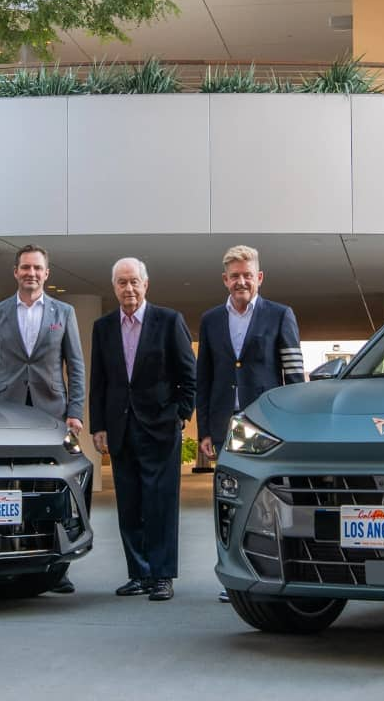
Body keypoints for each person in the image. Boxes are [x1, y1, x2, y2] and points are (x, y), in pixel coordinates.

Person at [196, 245, 304, 600]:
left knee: (271, 501)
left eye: (247, 275)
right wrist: (205, 432)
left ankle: (277, 573)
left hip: (268, 428)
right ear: (225, 280)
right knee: (229, 502)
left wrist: (297, 425)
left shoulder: (280, 314)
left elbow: (295, 376)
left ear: (259, 277)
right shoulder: (211, 319)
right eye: (234, 276)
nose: (241, 281)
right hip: (226, 427)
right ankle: (234, 577)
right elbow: (205, 378)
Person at [0, 244, 85, 594]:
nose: (31, 273)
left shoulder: (63, 311)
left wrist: (75, 413)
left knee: (52, 488)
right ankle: (9, 560)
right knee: (6, 487)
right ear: (15, 272)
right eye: (25, 267)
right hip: (5, 412)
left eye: (37, 268)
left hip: (50, 412)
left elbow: (76, 367)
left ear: (47, 273)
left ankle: (57, 568)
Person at [89, 257, 196, 602]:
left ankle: (162, 575)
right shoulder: (103, 327)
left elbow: (188, 375)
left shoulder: (168, 321)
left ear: (145, 285)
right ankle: (139, 573)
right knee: (130, 504)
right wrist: (98, 425)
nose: (129, 288)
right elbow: (100, 382)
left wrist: (180, 414)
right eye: (122, 282)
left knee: (161, 503)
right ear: (114, 288)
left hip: (160, 427)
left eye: (134, 281)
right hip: (120, 428)